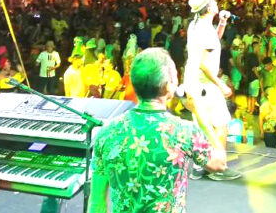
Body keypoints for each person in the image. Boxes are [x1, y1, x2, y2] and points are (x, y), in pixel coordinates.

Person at [89, 48, 228, 213]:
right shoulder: (183, 131)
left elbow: (96, 204)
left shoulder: (107, 132)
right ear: (168, 86)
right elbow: (219, 163)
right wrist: (200, 114)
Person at [182, 0, 241, 181]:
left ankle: (199, 167)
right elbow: (204, 64)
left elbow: (212, 42)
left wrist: (222, 23)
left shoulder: (195, 24)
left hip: (193, 84)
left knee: (202, 126)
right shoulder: (205, 30)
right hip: (205, 85)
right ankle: (219, 168)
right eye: (213, 1)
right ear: (208, 8)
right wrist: (221, 85)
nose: (216, 3)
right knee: (221, 124)